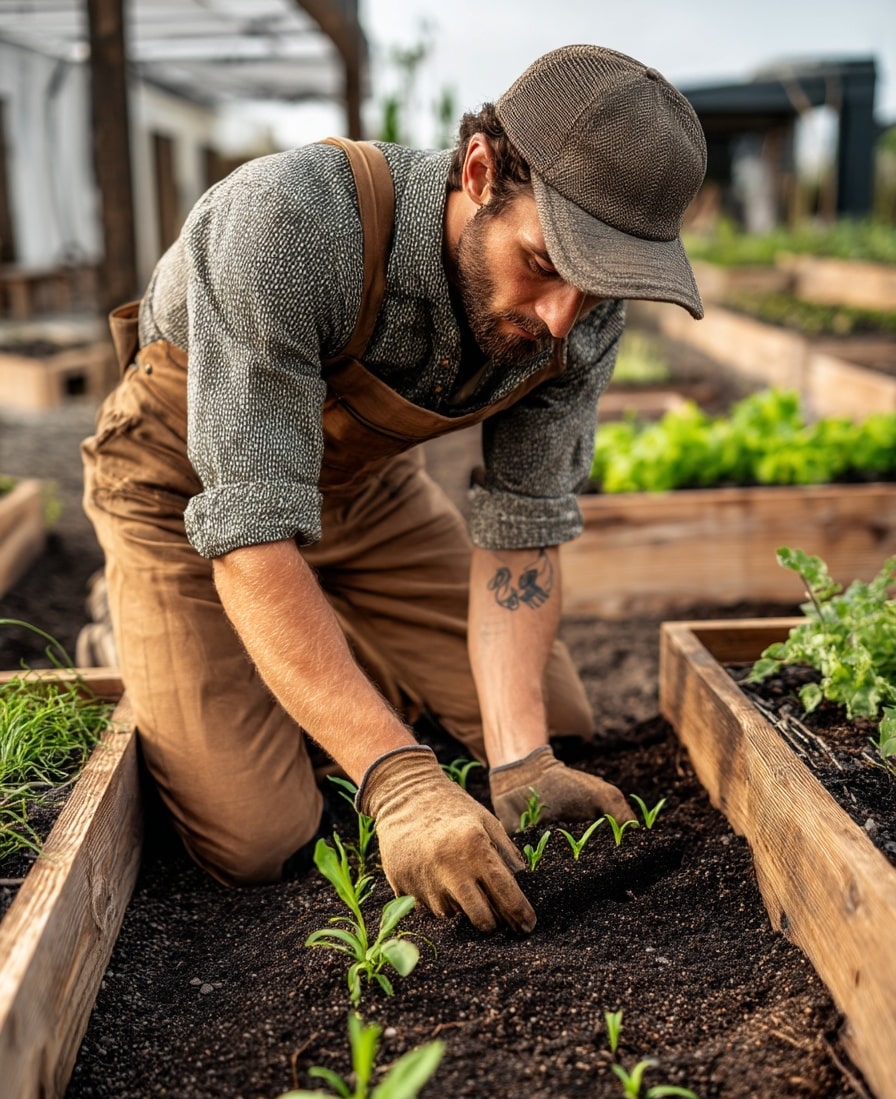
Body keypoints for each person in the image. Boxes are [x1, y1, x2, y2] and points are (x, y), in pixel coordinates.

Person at [80, 43, 706, 934]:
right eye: (543, 262)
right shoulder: (288, 226)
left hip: (365, 496)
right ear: (481, 172)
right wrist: (399, 779)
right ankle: (137, 621)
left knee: (552, 723)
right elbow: (252, 532)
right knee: (263, 839)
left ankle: (304, 658)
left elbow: (522, 525)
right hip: (188, 497)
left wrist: (522, 760)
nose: (564, 315)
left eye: (598, 287)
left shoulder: (581, 316)